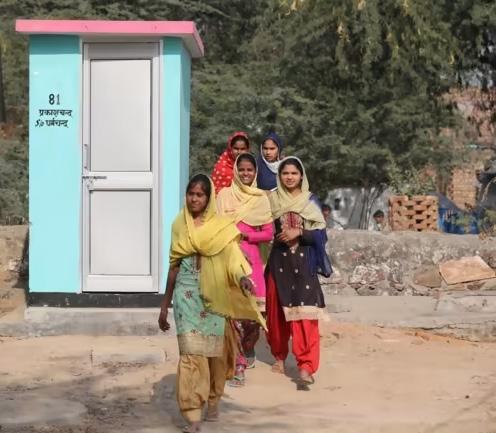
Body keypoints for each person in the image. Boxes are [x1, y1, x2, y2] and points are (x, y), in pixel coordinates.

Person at [158, 174, 264, 433]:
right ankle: (192, 413)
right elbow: (174, 264)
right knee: (190, 354)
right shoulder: (179, 224)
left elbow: (232, 259)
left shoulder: (221, 227)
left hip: (214, 296)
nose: (194, 199)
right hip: (185, 296)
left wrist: (242, 278)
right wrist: (164, 304)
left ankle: (214, 399)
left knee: (215, 355)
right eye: (190, 194)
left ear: (209, 198)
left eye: (200, 195)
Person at [265, 157, 332, 386]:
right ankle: (279, 356)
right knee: (277, 314)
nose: (290, 177)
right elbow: (262, 227)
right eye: (285, 173)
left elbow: (322, 234)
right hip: (279, 263)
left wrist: (299, 232)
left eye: (294, 173)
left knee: (305, 315)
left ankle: (306, 366)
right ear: (279, 176)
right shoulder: (272, 199)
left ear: (301, 175)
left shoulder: (310, 200)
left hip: (304, 265)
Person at [216, 153, 274, 386]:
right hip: (228, 259)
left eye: (250, 170)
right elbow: (216, 226)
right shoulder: (224, 196)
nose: (246, 173)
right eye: (242, 169)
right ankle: (238, 365)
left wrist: (247, 236)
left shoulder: (260, 199)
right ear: (235, 171)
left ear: (255, 172)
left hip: (253, 262)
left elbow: (268, 233)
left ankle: (248, 347)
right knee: (233, 317)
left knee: (253, 317)